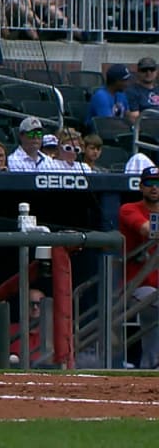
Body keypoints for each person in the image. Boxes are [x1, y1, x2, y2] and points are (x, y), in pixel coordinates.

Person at [119, 166, 159, 369]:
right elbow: (149, 229)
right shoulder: (129, 208)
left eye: (158, 183)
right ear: (141, 186)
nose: (155, 188)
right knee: (155, 301)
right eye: (150, 183)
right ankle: (152, 365)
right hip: (136, 284)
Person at [87, 64, 130, 131]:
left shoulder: (121, 94)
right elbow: (108, 123)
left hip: (118, 132)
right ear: (115, 81)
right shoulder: (101, 96)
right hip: (100, 135)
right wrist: (129, 127)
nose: (127, 83)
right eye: (124, 80)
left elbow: (127, 115)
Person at [127, 57, 159, 123]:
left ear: (156, 71)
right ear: (138, 72)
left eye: (152, 69)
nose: (148, 73)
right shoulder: (132, 91)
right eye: (144, 70)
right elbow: (135, 118)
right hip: (146, 128)